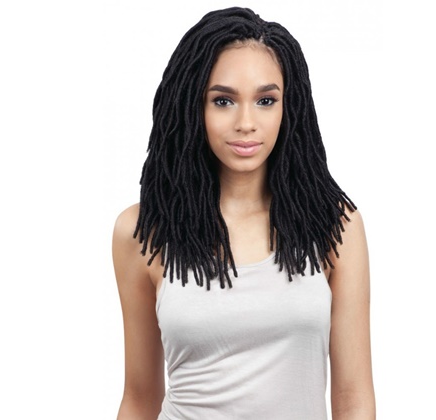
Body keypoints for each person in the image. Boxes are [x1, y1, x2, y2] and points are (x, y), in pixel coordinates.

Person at [112, 7, 375, 420]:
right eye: (223, 101)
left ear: (290, 107)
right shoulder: (143, 231)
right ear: (193, 107)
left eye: (266, 100)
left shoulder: (335, 225)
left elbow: (354, 399)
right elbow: (140, 399)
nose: (246, 123)